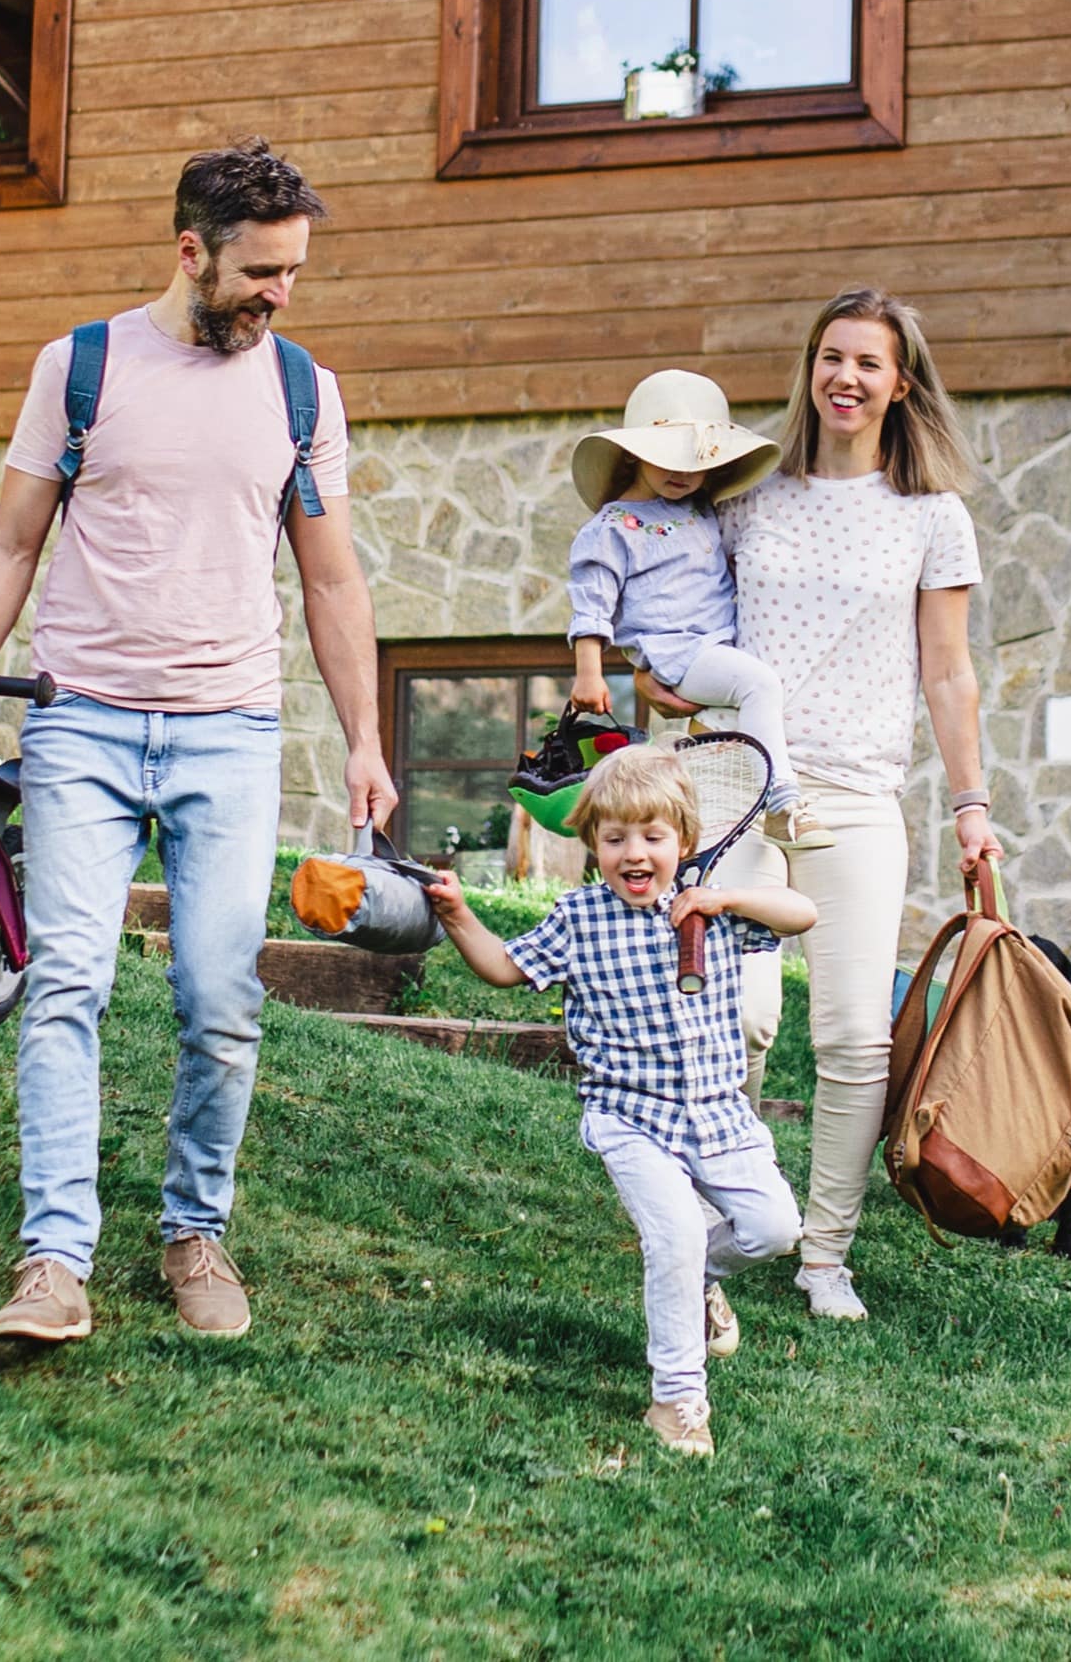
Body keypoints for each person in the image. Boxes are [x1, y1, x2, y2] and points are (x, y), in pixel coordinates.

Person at [0, 138, 395, 1348]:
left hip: (231, 733)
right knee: (67, 985)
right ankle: (53, 1260)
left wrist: (364, 738)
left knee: (218, 995)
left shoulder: (304, 390)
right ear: (190, 251)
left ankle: (196, 1229)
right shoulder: (81, 366)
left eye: (295, 271)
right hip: (82, 719)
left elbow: (334, 581)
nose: (280, 294)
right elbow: (10, 540)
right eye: (260, 271)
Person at [645, 287, 1004, 1325]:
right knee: (738, 1014)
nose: (846, 377)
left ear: (901, 384)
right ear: (811, 369)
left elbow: (947, 672)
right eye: (832, 357)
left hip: (854, 796)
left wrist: (970, 804)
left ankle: (824, 1256)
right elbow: (671, 615)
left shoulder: (933, 518)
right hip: (731, 788)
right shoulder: (747, 494)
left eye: (869, 363)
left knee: (853, 1039)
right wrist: (652, 676)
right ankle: (718, 1232)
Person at [424, 745, 814, 1460]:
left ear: (685, 843)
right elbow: (504, 968)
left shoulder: (712, 914)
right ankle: (677, 1402)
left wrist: (725, 898)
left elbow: (803, 912)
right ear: (592, 844)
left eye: (653, 836)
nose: (634, 853)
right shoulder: (579, 918)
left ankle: (697, 1287)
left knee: (774, 1229)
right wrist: (456, 915)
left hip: (720, 1115)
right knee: (675, 1237)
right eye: (615, 838)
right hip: (632, 1119)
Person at [564, 369, 831, 849]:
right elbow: (592, 602)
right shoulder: (612, 528)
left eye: (698, 461)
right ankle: (782, 801)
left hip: (714, 645)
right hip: (677, 651)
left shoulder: (698, 507)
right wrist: (590, 673)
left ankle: (737, 781)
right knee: (759, 684)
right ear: (632, 453)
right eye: (667, 458)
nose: (682, 472)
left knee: (742, 698)